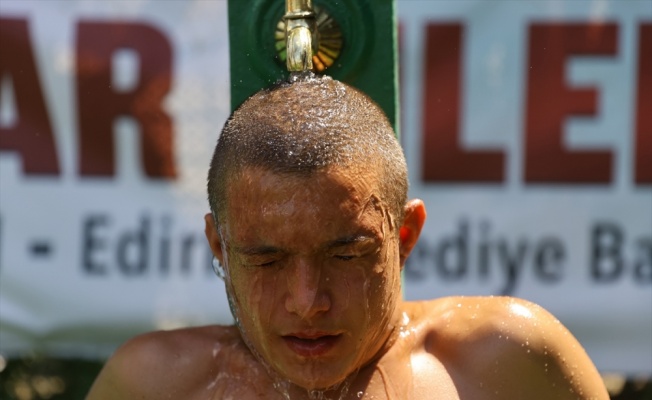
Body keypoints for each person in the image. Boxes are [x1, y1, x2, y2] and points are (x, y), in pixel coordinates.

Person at [86, 75, 608, 399]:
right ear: (219, 247)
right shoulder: (154, 386)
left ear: (404, 234)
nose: (308, 302)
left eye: (347, 254)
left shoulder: (507, 361)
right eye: (266, 261)